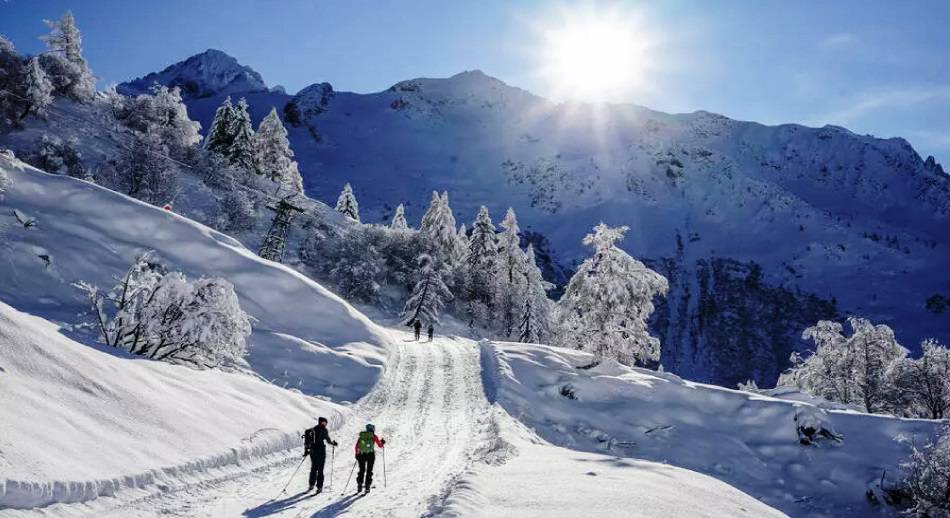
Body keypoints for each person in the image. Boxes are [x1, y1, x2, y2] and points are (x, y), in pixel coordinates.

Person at [303, 417, 338, 492]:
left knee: (314, 468)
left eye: (325, 423)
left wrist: (307, 450)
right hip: (321, 451)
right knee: (320, 469)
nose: (325, 424)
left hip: (313, 451)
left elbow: (308, 440)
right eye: (324, 422)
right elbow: (328, 441)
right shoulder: (324, 430)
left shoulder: (313, 429)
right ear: (320, 422)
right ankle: (319, 487)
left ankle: (311, 485)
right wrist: (333, 443)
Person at [354, 423, 386, 493]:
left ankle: (359, 485)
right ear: (372, 429)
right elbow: (380, 445)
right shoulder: (374, 436)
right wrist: (382, 442)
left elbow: (357, 446)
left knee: (361, 470)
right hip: (370, 455)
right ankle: (367, 486)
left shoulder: (362, 436)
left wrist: (357, 454)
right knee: (369, 470)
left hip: (361, 455)